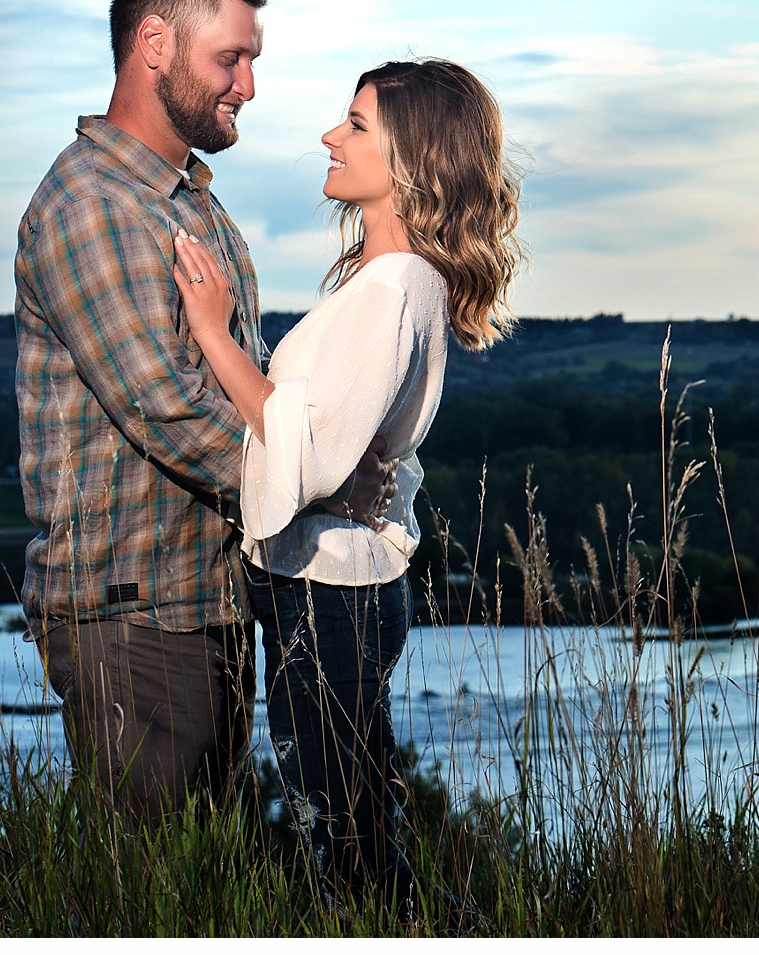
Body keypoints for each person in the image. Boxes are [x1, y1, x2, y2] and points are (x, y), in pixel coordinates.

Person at [14, 0, 391, 826]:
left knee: (205, 888)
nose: (248, 86)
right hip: (131, 615)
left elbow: (235, 382)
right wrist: (321, 480)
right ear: (154, 44)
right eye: (232, 57)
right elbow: (169, 408)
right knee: (154, 898)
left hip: (200, 605)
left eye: (250, 60)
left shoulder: (186, 204)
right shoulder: (94, 204)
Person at [172, 58, 523, 916]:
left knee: (349, 842)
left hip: (332, 596)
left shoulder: (394, 289)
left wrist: (214, 337)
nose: (331, 135)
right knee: (353, 826)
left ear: (415, 160)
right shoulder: (388, 283)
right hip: (338, 590)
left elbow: (317, 447)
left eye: (357, 125)